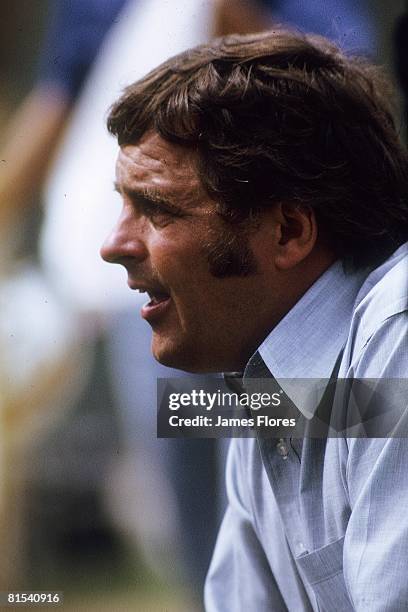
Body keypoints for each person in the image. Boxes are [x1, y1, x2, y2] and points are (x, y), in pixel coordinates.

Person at [101, 30, 408, 610]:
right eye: (123, 204)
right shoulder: (263, 374)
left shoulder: (399, 334)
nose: (113, 245)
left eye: (158, 209)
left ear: (288, 231)